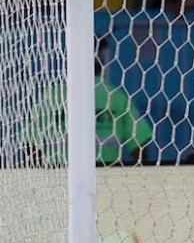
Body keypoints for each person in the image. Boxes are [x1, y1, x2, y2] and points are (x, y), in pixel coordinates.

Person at [21, 38, 153, 166]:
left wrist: (40, 173)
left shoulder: (54, 95)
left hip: (61, 174)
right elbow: (140, 145)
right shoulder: (116, 97)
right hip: (108, 173)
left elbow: (30, 141)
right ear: (101, 60)